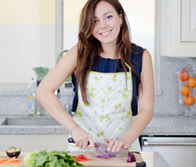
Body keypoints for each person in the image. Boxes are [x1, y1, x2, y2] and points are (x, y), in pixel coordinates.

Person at [36, 0, 154, 153]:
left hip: (124, 150)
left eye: (108, 17)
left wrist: (126, 139)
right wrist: (74, 128)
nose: (103, 26)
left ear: (121, 18)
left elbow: (146, 109)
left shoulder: (140, 56)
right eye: (95, 21)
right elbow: (43, 91)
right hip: (84, 150)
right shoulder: (79, 53)